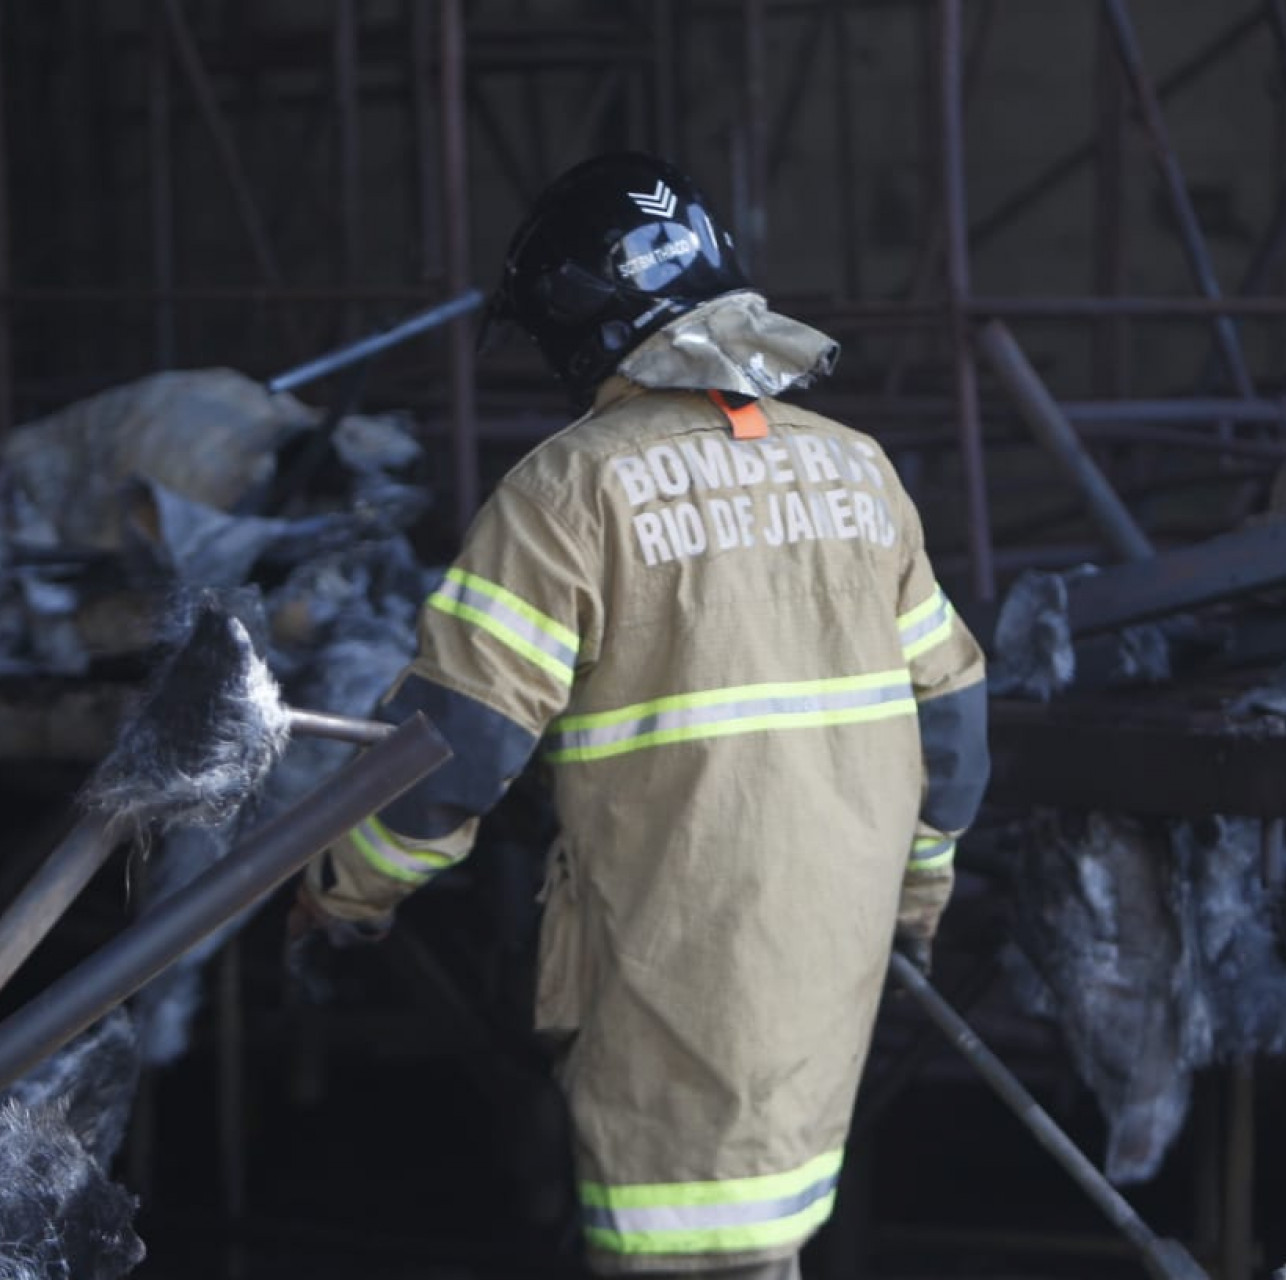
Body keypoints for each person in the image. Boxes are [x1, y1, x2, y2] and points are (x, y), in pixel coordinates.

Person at [291, 151, 990, 1280]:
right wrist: (918, 896)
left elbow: (450, 750)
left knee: (685, 1244)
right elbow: (952, 720)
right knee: (769, 1230)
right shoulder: (861, 471)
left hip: (678, 957)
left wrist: (343, 887)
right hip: (834, 952)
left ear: (580, 322)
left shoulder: (567, 490)